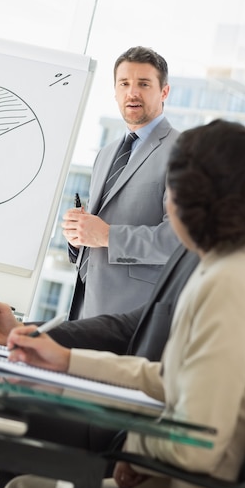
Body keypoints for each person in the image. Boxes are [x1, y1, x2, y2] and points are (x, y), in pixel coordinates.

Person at [0, 119, 245, 488]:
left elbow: (198, 442)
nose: (166, 206)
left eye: (170, 194)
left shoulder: (228, 285)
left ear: (191, 204)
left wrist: (135, 450)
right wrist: (67, 359)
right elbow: (170, 378)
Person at [0, 243, 200, 488]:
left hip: (136, 450)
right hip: (116, 428)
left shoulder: (228, 276)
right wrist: (23, 333)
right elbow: (127, 328)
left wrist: (141, 448)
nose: (171, 197)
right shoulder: (192, 254)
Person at [62, 46, 180, 319]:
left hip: (132, 316)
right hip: (84, 309)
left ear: (164, 92)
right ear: (115, 92)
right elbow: (99, 233)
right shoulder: (106, 154)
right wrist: (78, 237)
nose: (132, 92)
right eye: (124, 84)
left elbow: (177, 240)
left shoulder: (184, 152)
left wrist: (106, 235)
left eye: (143, 84)